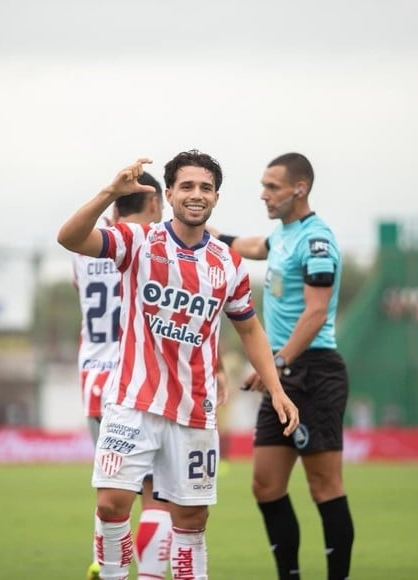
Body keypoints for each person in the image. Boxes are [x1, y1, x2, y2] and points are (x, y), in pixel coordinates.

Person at [57, 151, 299, 580]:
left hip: (194, 411)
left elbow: (249, 329)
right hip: (133, 400)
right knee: (111, 504)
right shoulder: (138, 240)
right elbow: (70, 238)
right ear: (167, 194)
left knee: (191, 522)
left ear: (216, 198)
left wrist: (277, 388)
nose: (196, 195)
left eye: (205, 188)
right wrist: (110, 192)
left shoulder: (229, 263)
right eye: (186, 186)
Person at [212, 152, 355, 579]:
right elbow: (250, 245)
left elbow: (316, 313)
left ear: (300, 188)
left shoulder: (317, 241)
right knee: (266, 486)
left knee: (324, 486)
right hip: (283, 374)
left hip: (314, 372)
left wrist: (274, 362)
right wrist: (204, 232)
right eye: (263, 185)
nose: (263, 194)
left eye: (272, 187)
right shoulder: (282, 236)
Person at [72, 173, 174, 579]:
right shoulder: (156, 246)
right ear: (153, 204)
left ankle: (104, 561)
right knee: (155, 496)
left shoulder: (84, 251)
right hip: (141, 383)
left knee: (110, 491)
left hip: (94, 385)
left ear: (115, 208)